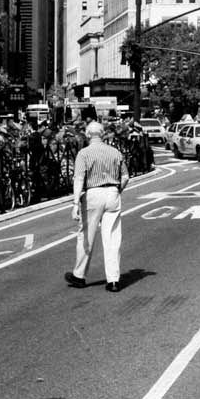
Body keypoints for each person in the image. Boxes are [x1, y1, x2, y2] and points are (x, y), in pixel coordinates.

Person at [68, 119, 130, 291]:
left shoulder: (84, 153)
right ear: (102, 135)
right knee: (112, 238)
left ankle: (79, 275)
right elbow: (125, 176)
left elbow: (79, 178)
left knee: (86, 235)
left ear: (88, 135)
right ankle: (113, 280)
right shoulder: (115, 152)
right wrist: (118, 190)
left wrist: (74, 203)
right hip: (112, 193)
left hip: (92, 194)